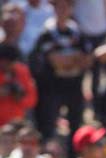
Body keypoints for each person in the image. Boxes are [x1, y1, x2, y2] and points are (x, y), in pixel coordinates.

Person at [29, 0, 91, 142]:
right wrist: (73, 58)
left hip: (74, 86)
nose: (63, 10)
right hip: (52, 88)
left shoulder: (77, 32)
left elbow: (86, 60)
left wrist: (68, 60)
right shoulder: (46, 33)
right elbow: (55, 61)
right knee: (49, 126)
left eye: (66, 6)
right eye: (59, 6)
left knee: (76, 124)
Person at [0, 44, 36, 126]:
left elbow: (32, 99)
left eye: (10, 62)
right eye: (5, 62)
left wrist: (20, 98)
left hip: (15, 123)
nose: (7, 66)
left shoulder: (22, 71)